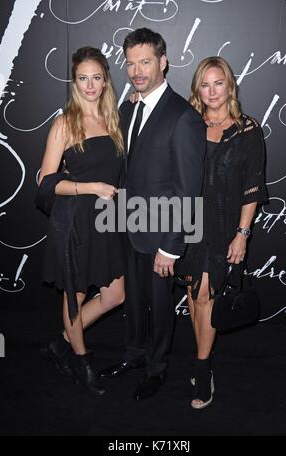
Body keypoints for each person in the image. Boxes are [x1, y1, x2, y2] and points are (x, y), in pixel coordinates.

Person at [98, 28, 206, 401]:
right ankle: (134, 354)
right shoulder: (129, 107)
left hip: (162, 237)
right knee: (134, 301)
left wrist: (172, 247)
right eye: (130, 63)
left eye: (145, 62)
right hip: (128, 227)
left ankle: (157, 369)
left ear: (163, 62)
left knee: (160, 309)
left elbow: (189, 189)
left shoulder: (184, 117)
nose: (137, 70)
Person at [175, 56, 267, 409]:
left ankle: (202, 368)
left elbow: (252, 188)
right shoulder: (189, 124)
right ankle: (203, 361)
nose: (212, 91)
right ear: (197, 88)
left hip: (224, 227)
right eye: (205, 84)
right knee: (192, 294)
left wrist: (242, 234)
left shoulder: (247, 130)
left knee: (206, 297)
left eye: (218, 83)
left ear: (230, 86)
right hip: (187, 223)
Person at [37, 47, 125, 396]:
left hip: (107, 221)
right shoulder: (65, 123)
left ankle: (61, 343)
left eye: (96, 78)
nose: (90, 85)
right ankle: (81, 360)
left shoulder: (114, 120)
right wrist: (90, 187)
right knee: (73, 296)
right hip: (74, 222)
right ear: (75, 82)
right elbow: (45, 182)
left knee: (115, 294)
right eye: (82, 78)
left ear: (105, 81)